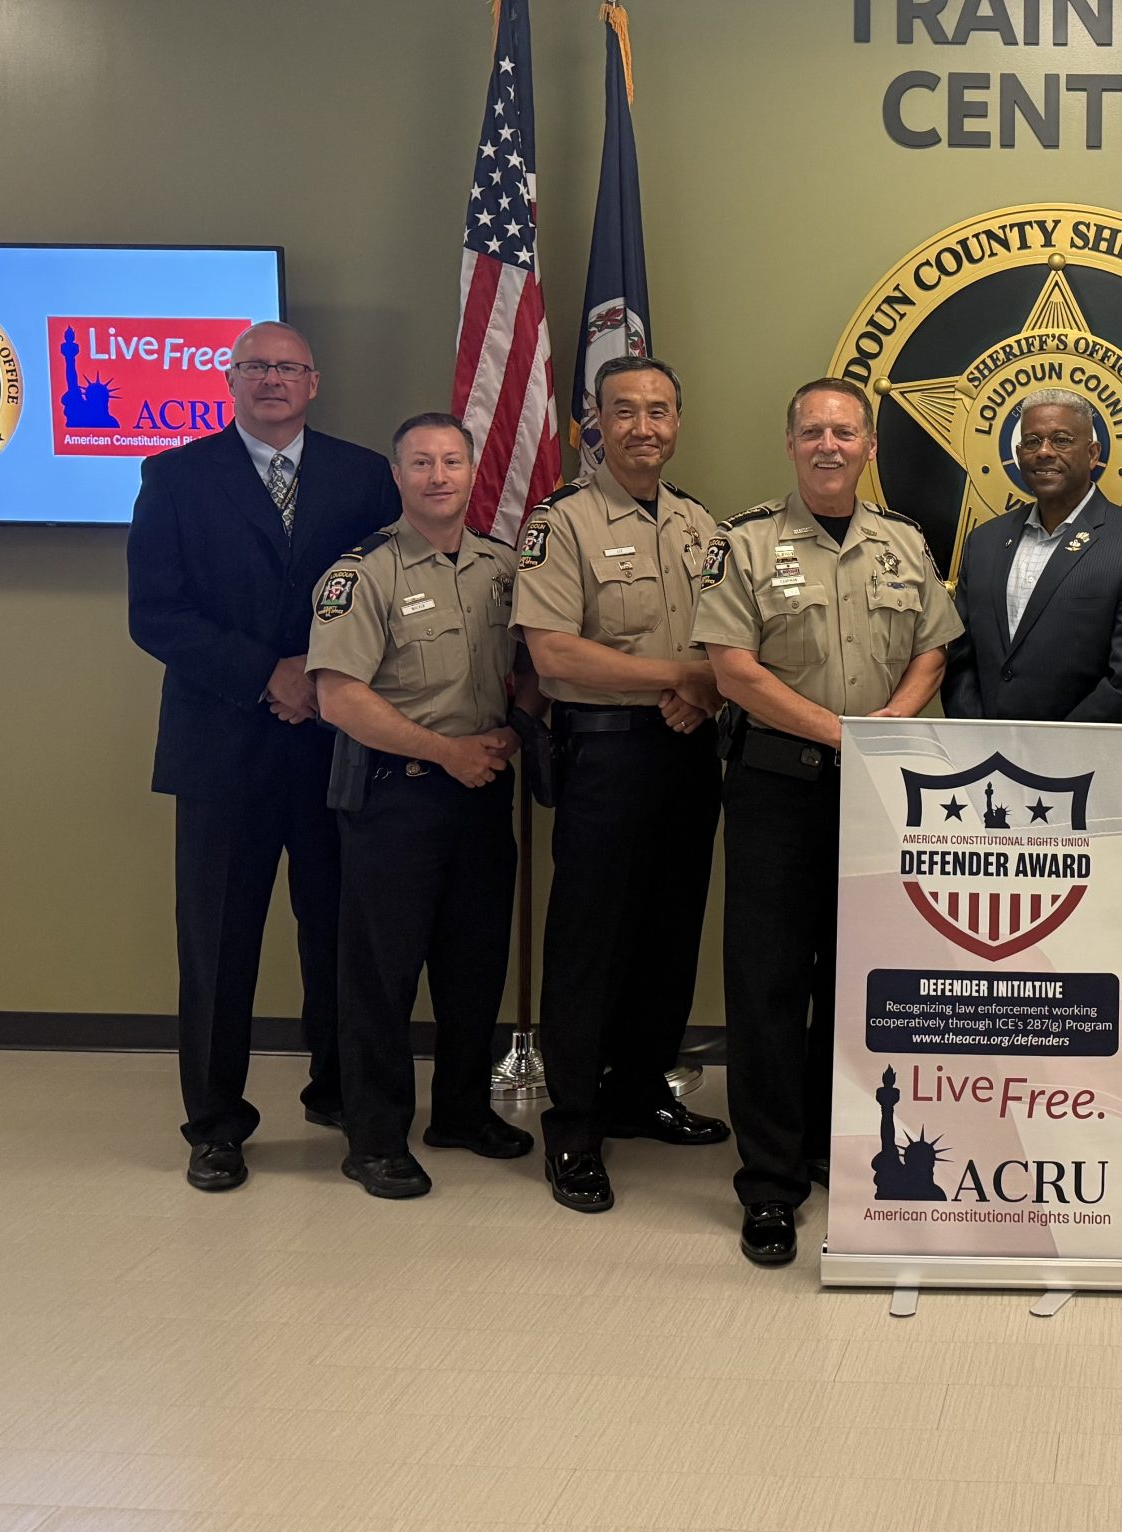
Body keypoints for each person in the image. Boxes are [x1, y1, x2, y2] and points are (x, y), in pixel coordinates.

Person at [126, 319, 398, 1193]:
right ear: (230, 378)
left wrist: (321, 679)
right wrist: (267, 675)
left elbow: (388, 594)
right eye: (256, 367)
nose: (272, 380)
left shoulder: (362, 476)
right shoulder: (173, 476)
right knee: (218, 945)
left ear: (314, 382)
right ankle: (215, 1124)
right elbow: (155, 614)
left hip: (336, 741)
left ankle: (342, 1093)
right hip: (222, 750)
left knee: (339, 937)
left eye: (288, 368)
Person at [694, 378, 961, 1267]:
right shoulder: (745, 542)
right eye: (812, 431)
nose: (828, 445)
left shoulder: (905, 542)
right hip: (778, 787)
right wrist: (843, 733)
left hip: (879, 791)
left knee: (860, 982)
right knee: (769, 986)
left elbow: (933, 648)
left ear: (869, 447)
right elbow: (733, 670)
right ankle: (769, 1185)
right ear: (790, 443)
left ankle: (833, 1149)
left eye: (845, 432)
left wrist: (886, 727)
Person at [513, 357, 728, 1216]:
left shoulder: (701, 524)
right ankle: (573, 1123)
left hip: (687, 751)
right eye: (625, 411)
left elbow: (735, 631)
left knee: (670, 935)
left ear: (680, 421)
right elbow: (553, 653)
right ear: (592, 423)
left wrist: (700, 686)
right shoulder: (559, 523)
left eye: (661, 411)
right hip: (603, 756)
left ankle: (640, 1091)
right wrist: (680, 677)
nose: (645, 427)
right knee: (589, 943)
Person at [306, 414, 535, 1199]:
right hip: (394, 798)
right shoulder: (362, 573)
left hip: (480, 796)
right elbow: (337, 698)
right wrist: (446, 752)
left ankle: (463, 1112)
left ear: (473, 472)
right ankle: (373, 1138)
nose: (438, 476)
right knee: (380, 975)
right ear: (397, 476)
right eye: (420, 463)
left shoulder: (502, 569)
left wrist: (518, 727)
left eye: (452, 462)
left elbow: (525, 670)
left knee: (474, 967)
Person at [941, 388, 1122, 724]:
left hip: (1085, 766)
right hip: (986, 760)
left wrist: (1047, 753)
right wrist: (983, 736)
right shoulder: (984, 542)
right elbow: (961, 661)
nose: (1044, 452)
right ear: (1018, 454)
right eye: (1031, 442)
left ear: (1093, 453)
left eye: (1061, 439)